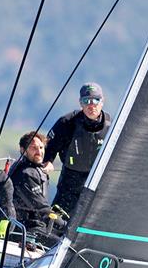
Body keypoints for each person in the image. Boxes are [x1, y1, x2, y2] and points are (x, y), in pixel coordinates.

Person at [43, 82, 111, 215]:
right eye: (86, 101)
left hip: (97, 180)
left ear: (102, 102)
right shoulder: (66, 122)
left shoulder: (112, 125)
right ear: (81, 103)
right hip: (70, 180)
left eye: (95, 100)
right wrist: (48, 161)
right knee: (57, 219)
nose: (91, 105)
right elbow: (49, 147)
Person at [9, 131, 65, 245]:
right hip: (25, 229)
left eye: (41, 147)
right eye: (33, 148)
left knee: (64, 237)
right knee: (64, 245)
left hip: (37, 225)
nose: (39, 152)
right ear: (23, 150)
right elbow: (41, 208)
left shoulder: (35, 169)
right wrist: (65, 225)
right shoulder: (25, 174)